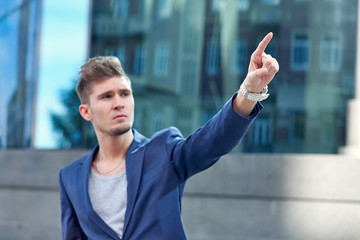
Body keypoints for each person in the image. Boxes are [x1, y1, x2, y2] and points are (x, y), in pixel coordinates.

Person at [59, 32, 279, 240]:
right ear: (86, 112)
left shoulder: (163, 150)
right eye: (107, 97)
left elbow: (212, 141)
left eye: (125, 93)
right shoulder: (70, 178)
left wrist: (248, 93)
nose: (119, 103)